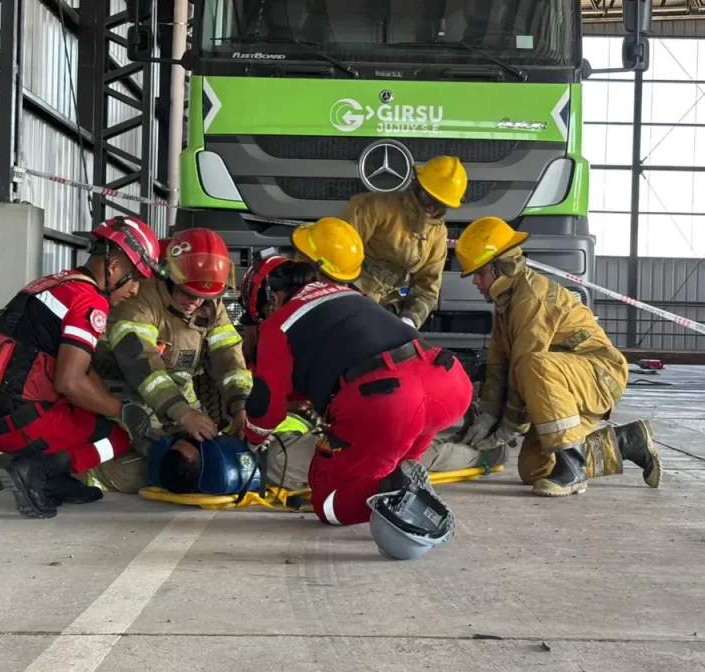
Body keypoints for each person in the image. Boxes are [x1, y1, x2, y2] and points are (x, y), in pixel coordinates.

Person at [233, 253, 506, 494]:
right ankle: (478, 456)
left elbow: (266, 406)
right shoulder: (348, 295)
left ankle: (396, 488)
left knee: (327, 489)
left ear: (274, 299)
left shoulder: (278, 325)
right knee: (401, 455)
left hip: (388, 397)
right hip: (446, 378)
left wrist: (250, 440)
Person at [0, 216, 161, 519]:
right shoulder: (90, 301)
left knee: (97, 415)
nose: (135, 291)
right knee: (117, 436)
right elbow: (70, 382)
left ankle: (57, 480)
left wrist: (110, 406)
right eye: (136, 278)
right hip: (18, 420)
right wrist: (122, 411)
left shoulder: (53, 283)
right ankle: (39, 470)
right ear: (115, 267)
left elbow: (83, 370)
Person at [454, 216, 663, 497]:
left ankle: (573, 469)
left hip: (598, 373)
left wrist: (510, 425)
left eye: (479, 273)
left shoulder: (532, 298)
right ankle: (629, 441)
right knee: (535, 470)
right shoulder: (507, 303)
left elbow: (524, 364)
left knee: (534, 364)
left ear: (499, 266)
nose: (476, 282)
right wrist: (489, 415)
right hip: (568, 379)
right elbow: (498, 365)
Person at [86, 228, 252, 494]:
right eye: (188, 293)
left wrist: (241, 405)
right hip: (126, 398)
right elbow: (143, 366)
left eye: (204, 297)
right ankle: (87, 470)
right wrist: (183, 414)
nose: (195, 303)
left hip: (179, 398)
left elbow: (228, 354)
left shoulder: (207, 299)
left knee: (200, 460)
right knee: (152, 467)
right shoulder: (139, 299)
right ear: (169, 276)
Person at [340, 155, 468, 329]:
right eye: (427, 197)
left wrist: (410, 320)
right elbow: (338, 258)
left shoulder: (437, 234)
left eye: (439, 204)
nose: (431, 207)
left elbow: (427, 290)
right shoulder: (374, 207)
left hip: (388, 308)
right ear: (418, 187)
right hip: (350, 296)